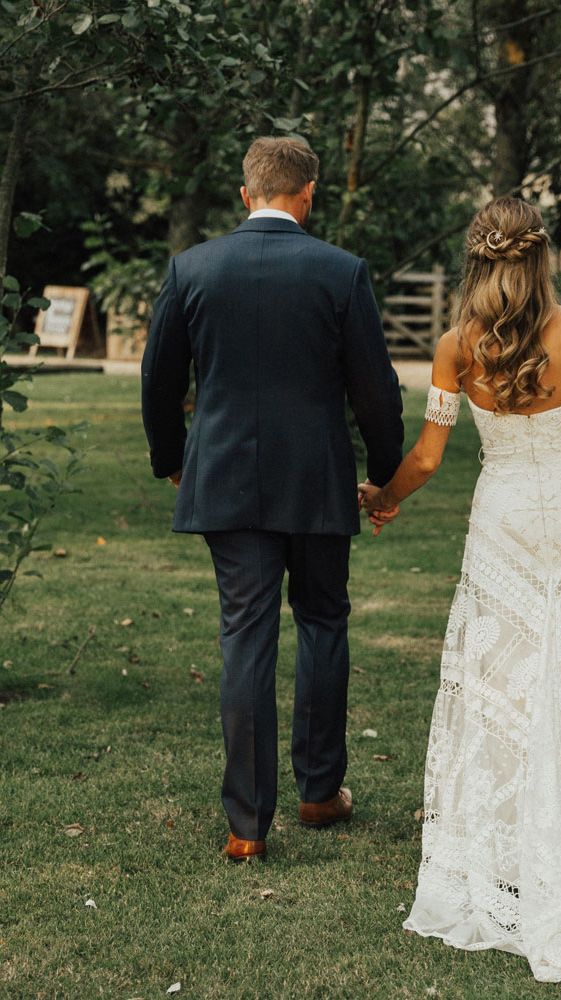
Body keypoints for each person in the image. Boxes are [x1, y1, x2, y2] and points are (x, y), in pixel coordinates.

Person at [358, 197, 561, 982]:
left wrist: (385, 496)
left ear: (477, 259)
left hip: (502, 522)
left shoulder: (455, 344)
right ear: (542, 256)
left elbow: (427, 459)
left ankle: (503, 834)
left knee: (500, 678)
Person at [141, 136, 404, 862]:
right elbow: (375, 390)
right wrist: (386, 472)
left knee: (245, 633)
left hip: (224, 478)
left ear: (244, 191)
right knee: (322, 620)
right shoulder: (340, 272)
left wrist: (172, 460)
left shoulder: (192, 268)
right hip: (316, 480)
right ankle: (320, 794)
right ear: (307, 193)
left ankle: (247, 827)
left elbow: (158, 380)